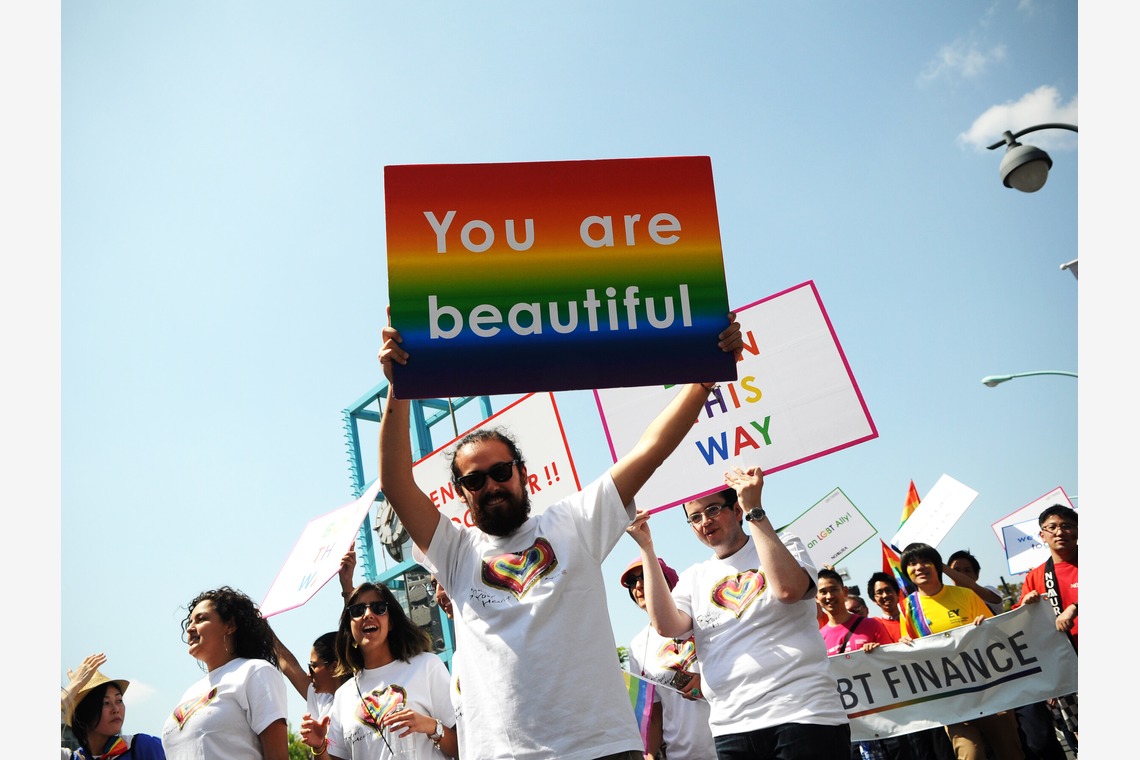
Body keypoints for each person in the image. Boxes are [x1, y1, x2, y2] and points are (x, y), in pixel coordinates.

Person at [376, 311, 743, 760]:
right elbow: (395, 482)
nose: (490, 486)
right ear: (462, 495)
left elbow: (650, 450)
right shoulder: (454, 553)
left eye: (500, 471)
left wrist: (704, 381)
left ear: (523, 474)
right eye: (475, 481)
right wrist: (400, 386)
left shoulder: (574, 522)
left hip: (603, 747)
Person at [626, 465, 850, 760]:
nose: (705, 521)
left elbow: (788, 590)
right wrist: (646, 546)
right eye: (695, 517)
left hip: (803, 713)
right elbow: (666, 626)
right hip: (732, 728)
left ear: (736, 510)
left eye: (713, 509)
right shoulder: (695, 577)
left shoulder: (784, 543)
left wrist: (755, 508)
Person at [298, 581, 458, 759]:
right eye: (358, 611)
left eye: (378, 608)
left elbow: (466, 746)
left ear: (391, 622)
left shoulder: (427, 666)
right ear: (349, 630)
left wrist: (431, 727)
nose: (368, 614)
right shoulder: (344, 695)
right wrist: (319, 746)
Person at [899, 543, 1026, 760]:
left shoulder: (966, 595)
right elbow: (911, 653)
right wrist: (902, 643)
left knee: (1010, 752)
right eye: (912, 563)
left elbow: (995, 636)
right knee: (970, 755)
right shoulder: (908, 607)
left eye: (925, 561)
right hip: (952, 697)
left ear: (938, 566)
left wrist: (985, 626)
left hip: (990, 689)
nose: (919, 567)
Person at [161, 586, 289, 760]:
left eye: (201, 619)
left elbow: (278, 756)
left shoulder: (256, 672)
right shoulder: (189, 693)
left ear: (230, 625)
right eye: (190, 622)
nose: (190, 628)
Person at [620, 556, 716, 760]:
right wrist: (650, 755)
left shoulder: (702, 618)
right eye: (632, 581)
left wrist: (708, 683)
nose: (638, 585)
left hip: (728, 743)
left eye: (645, 575)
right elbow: (653, 714)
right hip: (680, 754)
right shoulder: (637, 646)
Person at [815, 569, 902, 760]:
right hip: (850, 729)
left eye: (834, 590)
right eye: (823, 592)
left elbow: (894, 665)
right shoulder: (818, 638)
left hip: (887, 721)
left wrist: (878, 653)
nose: (829, 596)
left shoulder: (871, 625)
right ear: (816, 597)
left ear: (844, 592)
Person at [1016, 505, 1079, 757]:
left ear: (1076, 531)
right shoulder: (1036, 576)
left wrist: (1075, 607)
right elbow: (1024, 628)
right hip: (1066, 668)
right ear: (1042, 535)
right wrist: (1027, 605)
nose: (1059, 531)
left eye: (1066, 526)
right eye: (1052, 527)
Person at [273, 548, 356, 720]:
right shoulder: (321, 700)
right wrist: (261, 627)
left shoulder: (360, 691)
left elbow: (351, 633)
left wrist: (347, 585)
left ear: (334, 666)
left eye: (313, 666)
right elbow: (288, 663)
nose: (308, 674)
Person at [62, 653, 166, 759]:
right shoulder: (70, 757)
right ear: (84, 712)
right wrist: (75, 685)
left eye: (119, 700)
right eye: (106, 703)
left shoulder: (142, 747)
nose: (116, 709)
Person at [944, 550, 1004, 616]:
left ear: (976, 575)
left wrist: (937, 563)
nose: (961, 575)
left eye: (967, 571)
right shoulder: (947, 603)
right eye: (956, 571)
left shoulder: (990, 591)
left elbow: (973, 587)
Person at [865, 572, 903, 643]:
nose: (885, 595)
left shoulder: (914, 619)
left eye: (888, 590)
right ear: (874, 600)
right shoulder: (874, 627)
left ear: (897, 594)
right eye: (879, 592)